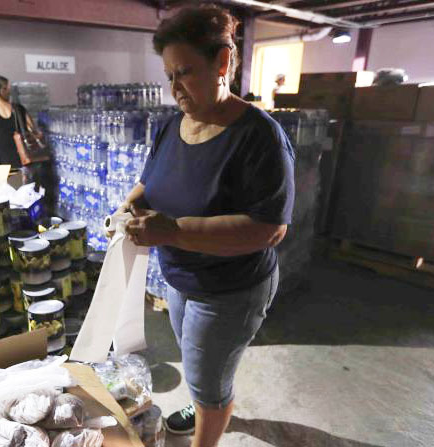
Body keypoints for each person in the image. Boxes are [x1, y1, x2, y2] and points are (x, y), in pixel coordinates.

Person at [115, 5, 295, 447]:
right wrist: (126, 208)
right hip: (180, 280)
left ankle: (208, 427)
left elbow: (269, 230)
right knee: (200, 368)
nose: (175, 88)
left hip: (230, 288)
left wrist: (173, 231)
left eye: (186, 73)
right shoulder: (171, 126)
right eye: (169, 76)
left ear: (223, 63)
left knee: (208, 377)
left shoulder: (259, 137)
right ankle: (207, 405)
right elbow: (147, 183)